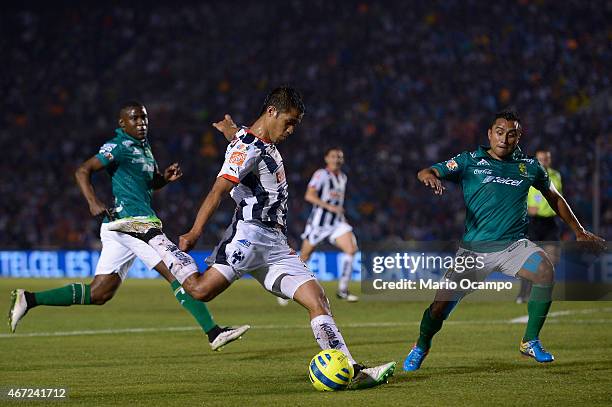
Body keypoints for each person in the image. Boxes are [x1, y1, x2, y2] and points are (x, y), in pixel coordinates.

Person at [108, 87, 396, 389]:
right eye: (289, 122)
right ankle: (152, 235)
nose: (292, 129)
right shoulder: (247, 149)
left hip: (276, 244)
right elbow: (218, 190)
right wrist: (195, 232)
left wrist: (231, 131)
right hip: (249, 235)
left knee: (318, 300)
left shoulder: (254, 140)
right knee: (200, 291)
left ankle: (351, 369)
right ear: (271, 112)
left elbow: (245, 137)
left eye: (295, 124)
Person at [8, 101, 249, 351]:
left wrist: (163, 179)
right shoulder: (119, 146)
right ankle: (213, 332)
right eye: (134, 119)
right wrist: (93, 202)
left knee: (99, 293)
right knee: (176, 272)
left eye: (144, 118)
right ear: (122, 123)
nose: (141, 123)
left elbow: (149, 184)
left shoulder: (144, 148)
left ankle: (29, 299)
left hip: (121, 226)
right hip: (133, 223)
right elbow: (83, 170)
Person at [403, 111, 605, 371]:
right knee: (439, 307)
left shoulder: (530, 167)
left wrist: (579, 231)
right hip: (474, 251)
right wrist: (429, 176)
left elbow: (554, 197)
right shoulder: (469, 161)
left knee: (545, 271)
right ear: (490, 134)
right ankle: (421, 345)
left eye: (511, 133)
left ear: (518, 137)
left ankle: (530, 340)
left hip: (513, 246)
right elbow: (427, 170)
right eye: (499, 132)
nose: (504, 138)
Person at [516, 148, 563, 303]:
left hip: (550, 222)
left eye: (546, 159)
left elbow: (557, 197)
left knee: (552, 259)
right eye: (541, 159)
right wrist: (526, 208)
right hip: (532, 221)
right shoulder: (527, 174)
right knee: (531, 260)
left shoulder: (556, 175)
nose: (544, 161)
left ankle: (541, 294)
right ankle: (523, 294)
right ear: (536, 160)